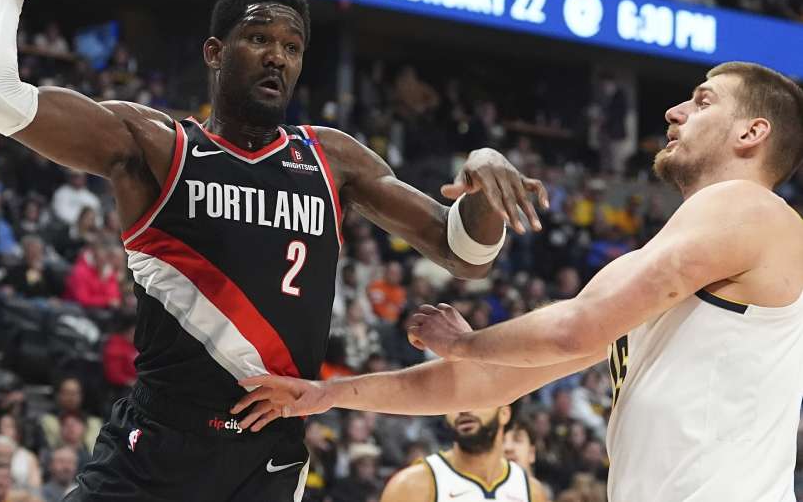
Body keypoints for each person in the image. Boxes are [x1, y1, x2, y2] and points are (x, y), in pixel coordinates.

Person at [0, 0, 543, 501]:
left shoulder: (332, 157)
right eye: (258, 39)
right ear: (214, 53)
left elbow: (464, 253)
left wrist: (485, 177)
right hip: (154, 452)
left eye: (291, 48)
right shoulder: (155, 145)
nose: (277, 56)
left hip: (265, 464)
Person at [232, 62, 803, 502]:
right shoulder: (663, 268)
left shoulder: (751, 207)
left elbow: (574, 331)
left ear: (752, 132)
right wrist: (329, 396)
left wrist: (464, 342)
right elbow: (485, 385)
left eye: (702, 102)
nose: (674, 112)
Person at [378, 405, 545, 501]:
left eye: (477, 397)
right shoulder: (410, 486)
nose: (464, 408)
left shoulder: (532, 491)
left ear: (504, 413)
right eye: (455, 400)